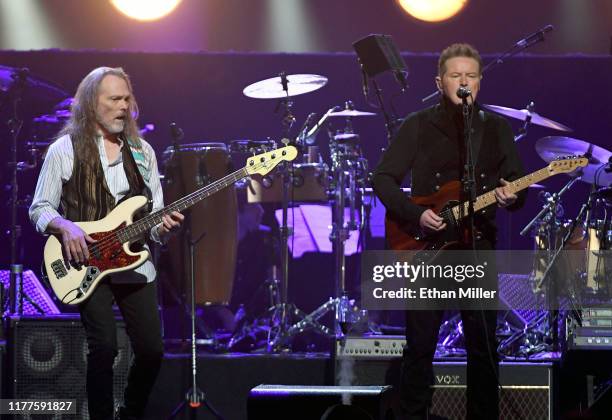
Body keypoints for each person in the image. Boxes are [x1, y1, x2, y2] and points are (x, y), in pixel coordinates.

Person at [372, 44, 526, 419]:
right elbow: (383, 179)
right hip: (429, 249)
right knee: (421, 345)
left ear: (480, 82)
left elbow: (517, 183)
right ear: (440, 82)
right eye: (455, 76)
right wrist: (416, 213)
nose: (464, 83)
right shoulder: (419, 125)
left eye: (470, 76)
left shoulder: (496, 128)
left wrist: (511, 197)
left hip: (477, 247)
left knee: (483, 345)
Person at [29, 67, 184, 420]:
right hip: (86, 261)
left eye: (127, 99)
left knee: (152, 351)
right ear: (89, 105)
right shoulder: (64, 149)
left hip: (133, 261)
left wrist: (164, 228)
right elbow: (39, 207)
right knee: (104, 348)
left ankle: (129, 414)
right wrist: (65, 226)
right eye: (114, 99)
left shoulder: (143, 152)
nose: (123, 107)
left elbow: (154, 217)